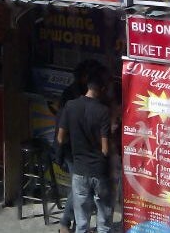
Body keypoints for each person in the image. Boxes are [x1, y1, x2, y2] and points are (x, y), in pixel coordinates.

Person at [57, 72, 112, 233]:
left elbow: (60, 138)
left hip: (79, 170)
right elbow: (105, 149)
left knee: (81, 223)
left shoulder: (71, 106)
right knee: (104, 221)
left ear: (87, 86)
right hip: (99, 172)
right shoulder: (103, 111)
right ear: (101, 89)